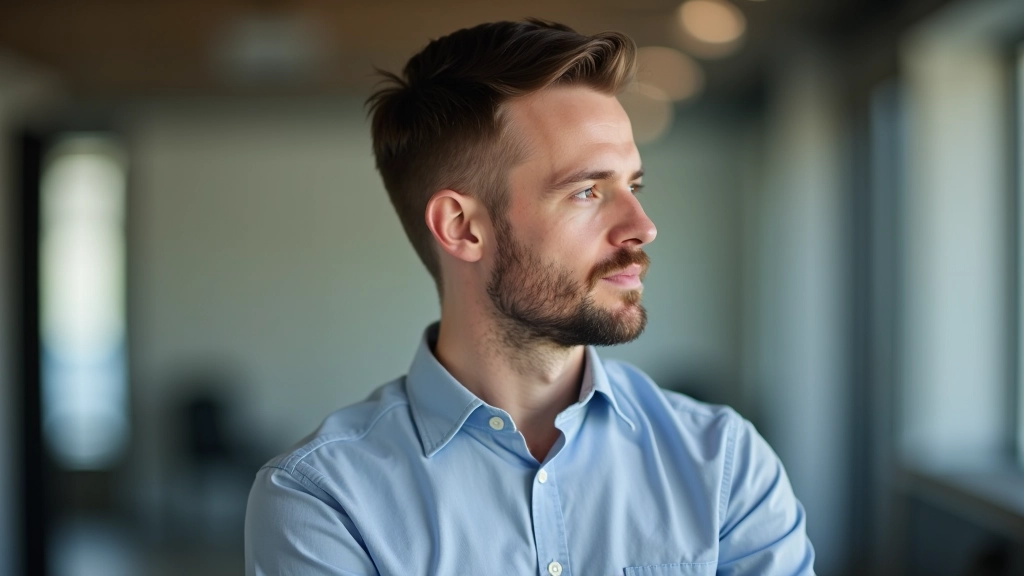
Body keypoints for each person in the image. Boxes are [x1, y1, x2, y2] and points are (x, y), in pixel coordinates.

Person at [245, 19, 815, 576]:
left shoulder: (724, 464)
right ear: (463, 228)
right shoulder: (324, 499)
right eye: (588, 190)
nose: (642, 226)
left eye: (633, 186)